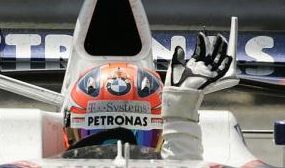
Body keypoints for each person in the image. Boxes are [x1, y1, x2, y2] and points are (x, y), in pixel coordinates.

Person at [62, 33, 232, 160]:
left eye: (140, 139)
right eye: (96, 134)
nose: (118, 157)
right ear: (69, 133)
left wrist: (180, 113)